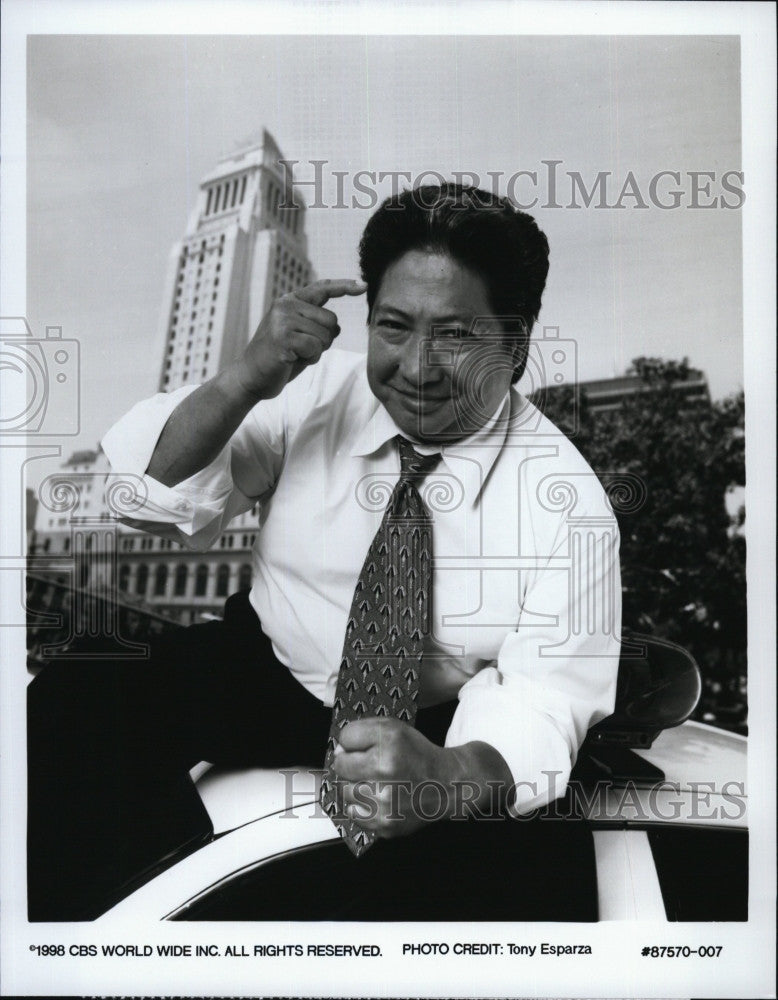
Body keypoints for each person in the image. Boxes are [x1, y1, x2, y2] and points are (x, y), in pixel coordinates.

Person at [28, 184, 621, 917]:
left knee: (522, 885)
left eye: (457, 336)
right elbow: (145, 492)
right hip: (268, 670)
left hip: (434, 722)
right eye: (395, 327)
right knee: (76, 698)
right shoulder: (312, 394)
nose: (418, 367)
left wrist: (445, 774)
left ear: (517, 343)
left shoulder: (569, 500)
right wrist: (244, 379)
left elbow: (547, 697)